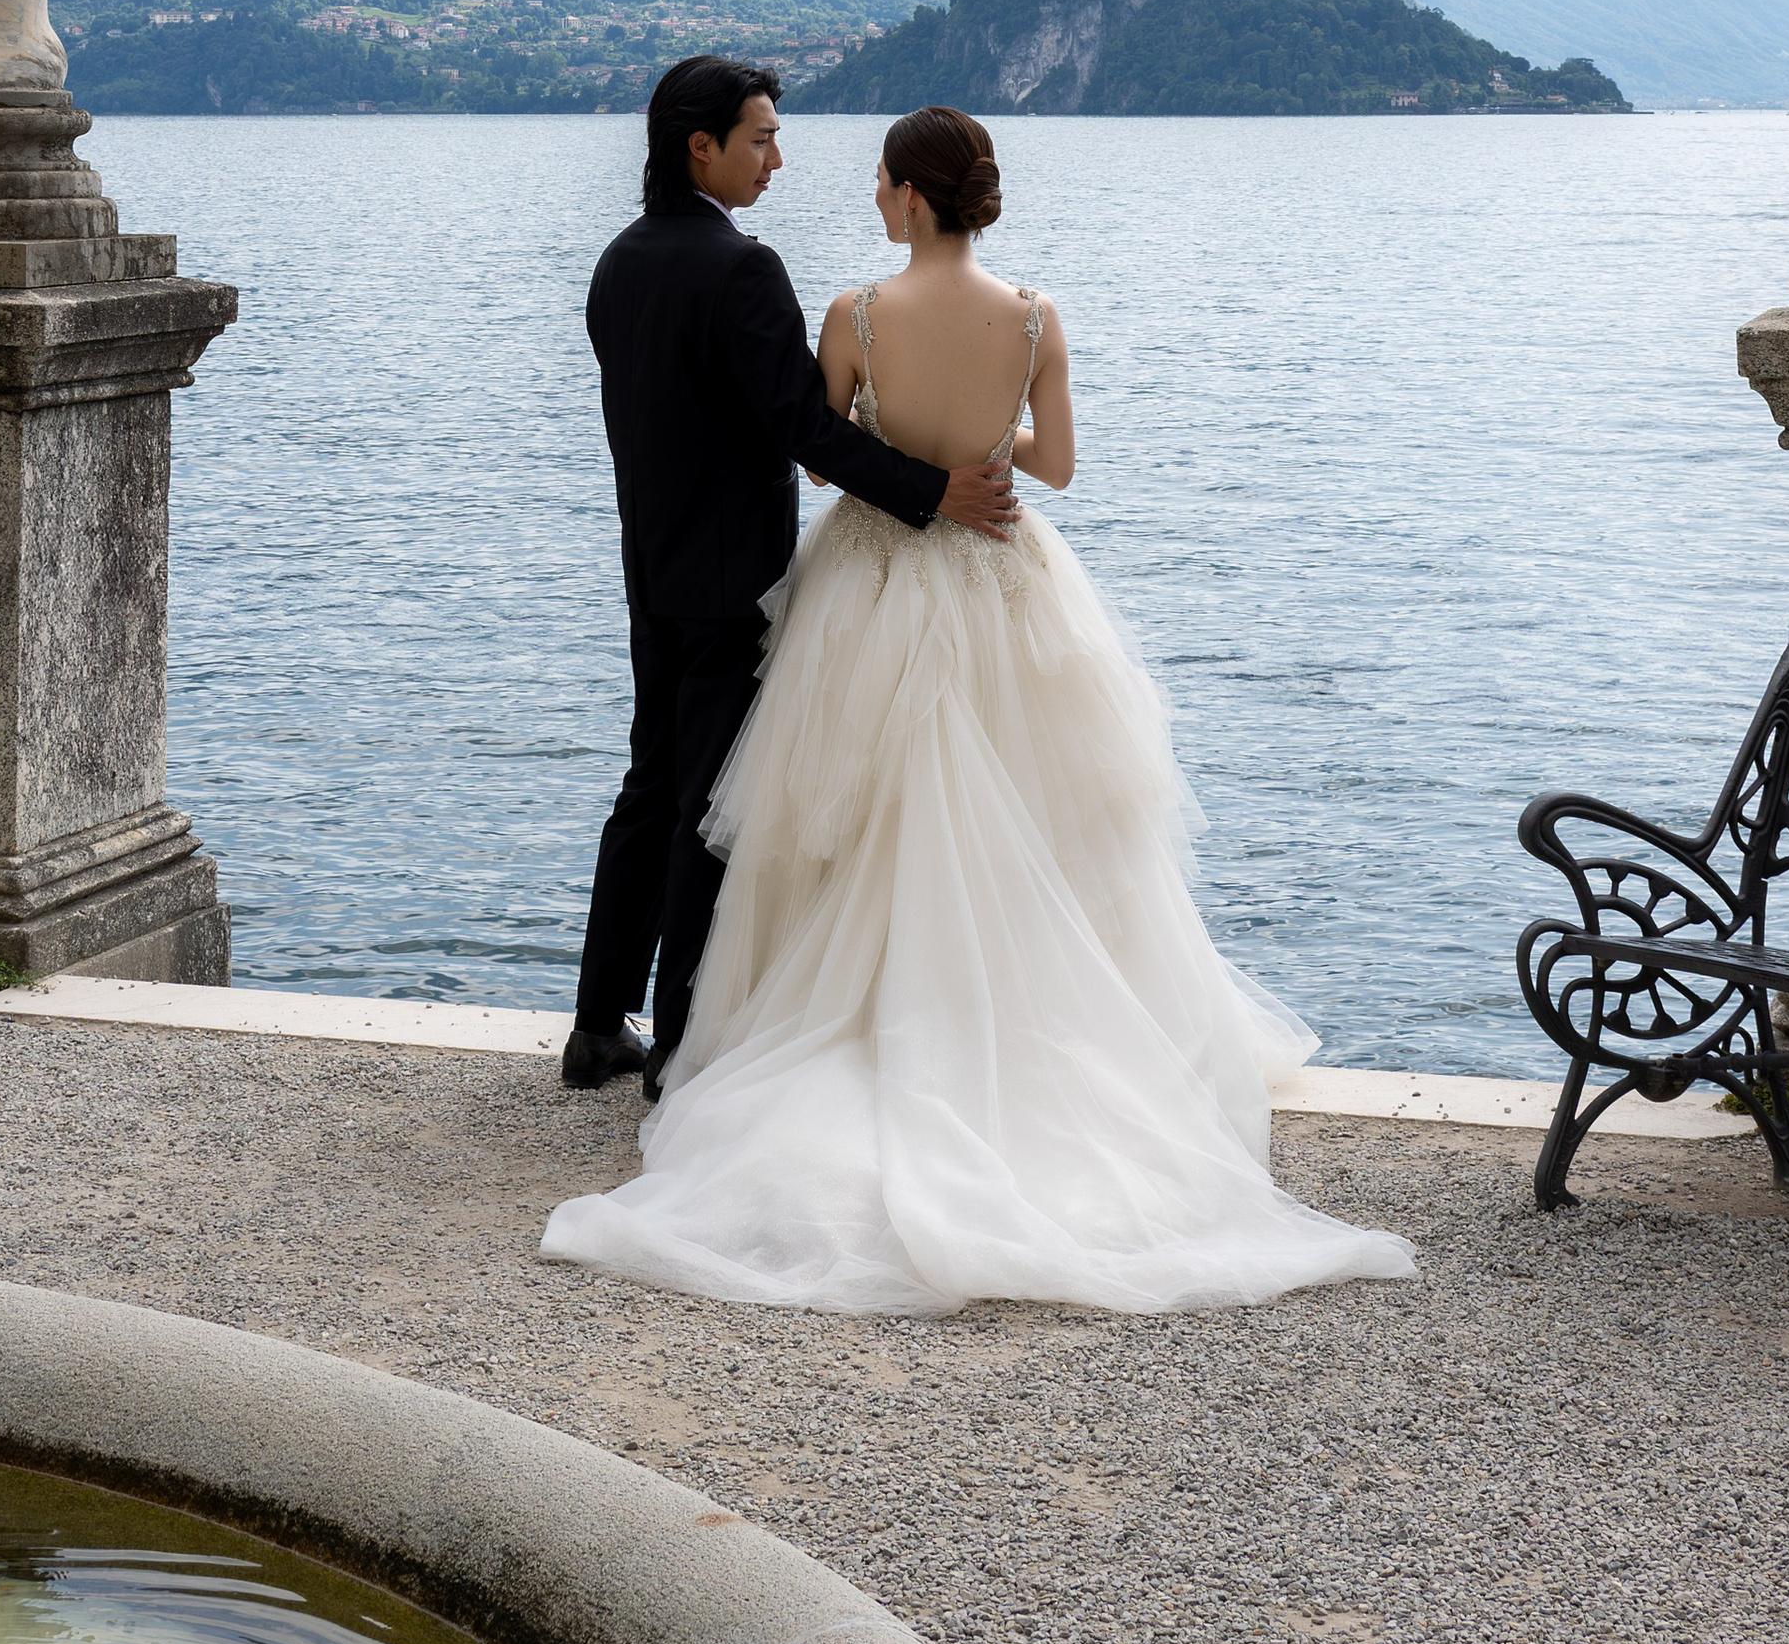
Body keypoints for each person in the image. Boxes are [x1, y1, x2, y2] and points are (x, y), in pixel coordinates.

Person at [543, 103, 1416, 1314]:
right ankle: (1025, 1021)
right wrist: (987, 438)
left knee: (829, 810)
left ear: (906, 192)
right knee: (1029, 804)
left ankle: (739, 1024)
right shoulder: (1034, 315)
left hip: (871, 578)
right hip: (1005, 567)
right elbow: (1053, 466)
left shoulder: (851, 313)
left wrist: (903, 447)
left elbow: (813, 451)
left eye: (878, 180)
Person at [562, 56, 1021, 1096]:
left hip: (650, 561)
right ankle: (677, 1041)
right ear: (701, 148)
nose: (777, 156)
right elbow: (802, 426)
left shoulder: (616, 265)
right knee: (710, 804)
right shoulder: (743, 270)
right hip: (734, 577)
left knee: (650, 783)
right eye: (761, 138)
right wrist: (931, 491)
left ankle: (596, 1024)